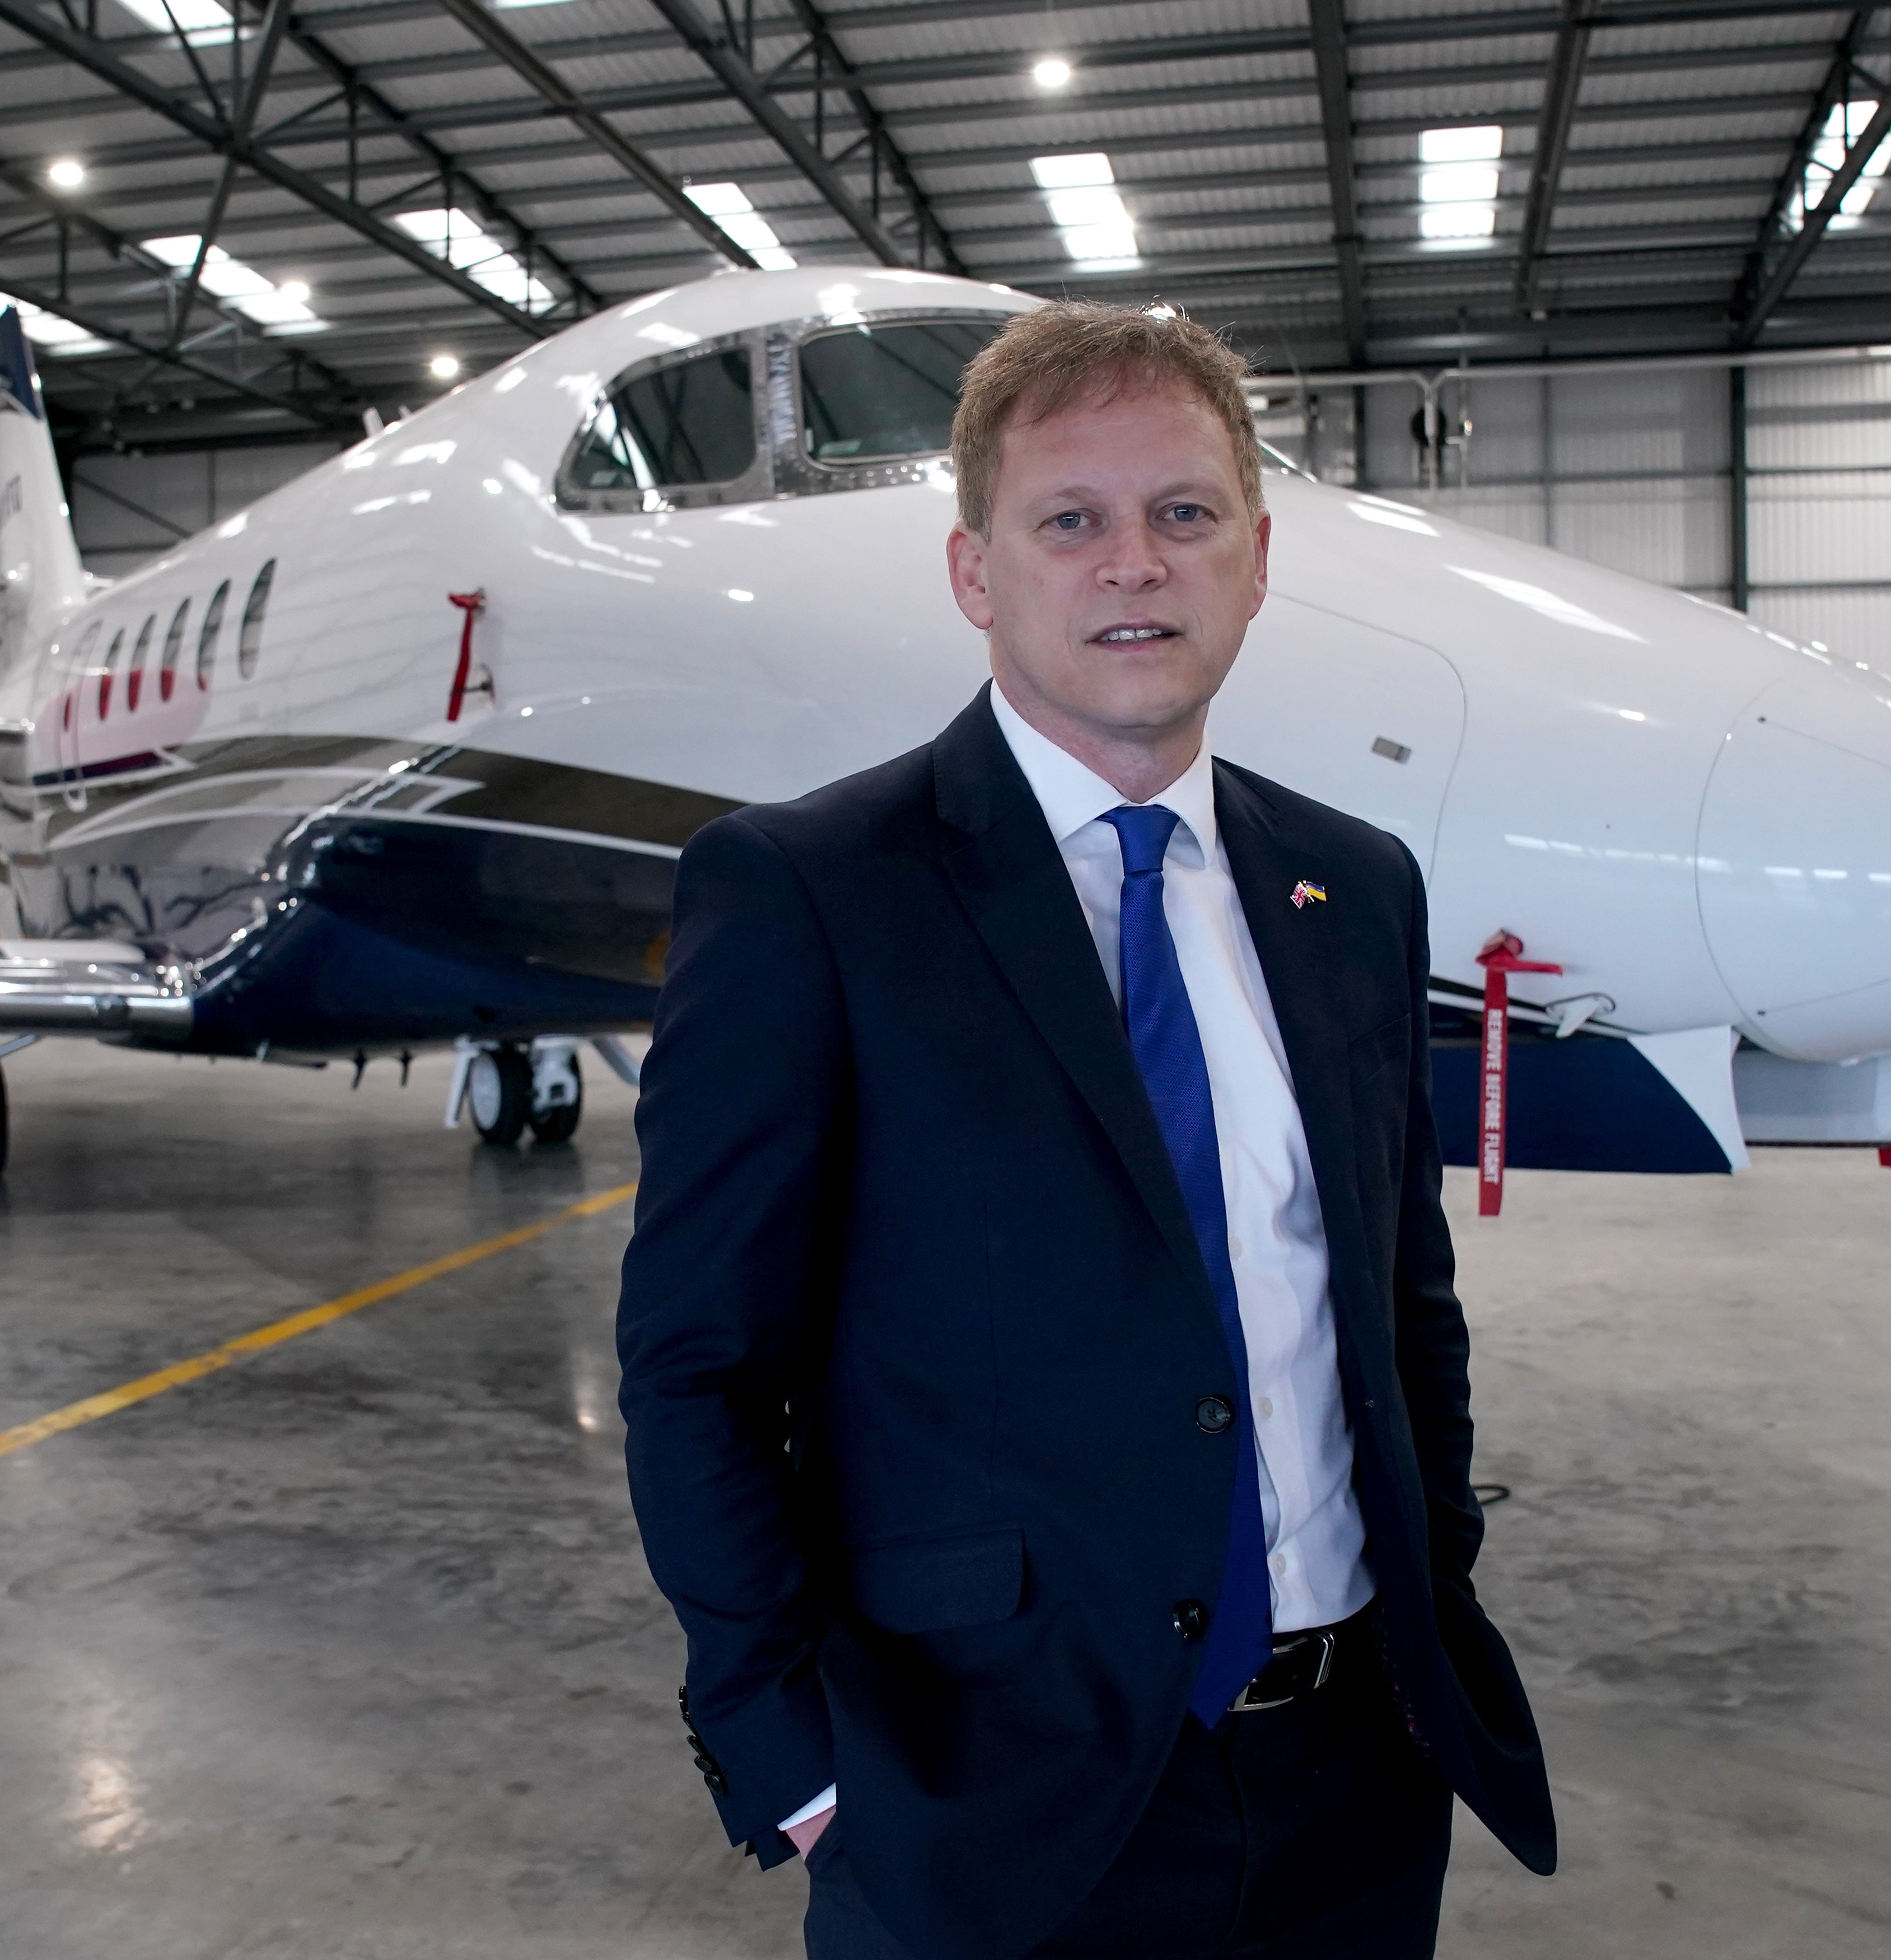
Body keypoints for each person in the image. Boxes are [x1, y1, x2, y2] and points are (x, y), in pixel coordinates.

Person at [615, 299, 1554, 1960]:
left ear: (1253, 561)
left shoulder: (1350, 888)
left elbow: (1403, 1305)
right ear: (979, 573)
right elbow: (700, 1364)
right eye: (1072, 522)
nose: (1133, 564)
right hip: (981, 1794)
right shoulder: (809, 892)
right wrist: (790, 1750)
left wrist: (1433, 1590)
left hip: (1348, 1776)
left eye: (1182, 515)